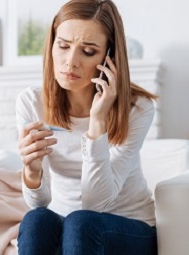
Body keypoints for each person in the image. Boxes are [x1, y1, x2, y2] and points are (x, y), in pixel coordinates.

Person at [15, 0, 158, 254]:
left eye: (88, 52)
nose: (71, 62)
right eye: (63, 46)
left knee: (81, 223)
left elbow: (95, 203)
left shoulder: (138, 108)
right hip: (70, 227)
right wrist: (31, 170)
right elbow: (38, 202)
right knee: (37, 220)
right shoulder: (32, 102)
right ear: (52, 44)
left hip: (128, 228)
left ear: (109, 56)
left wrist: (98, 121)